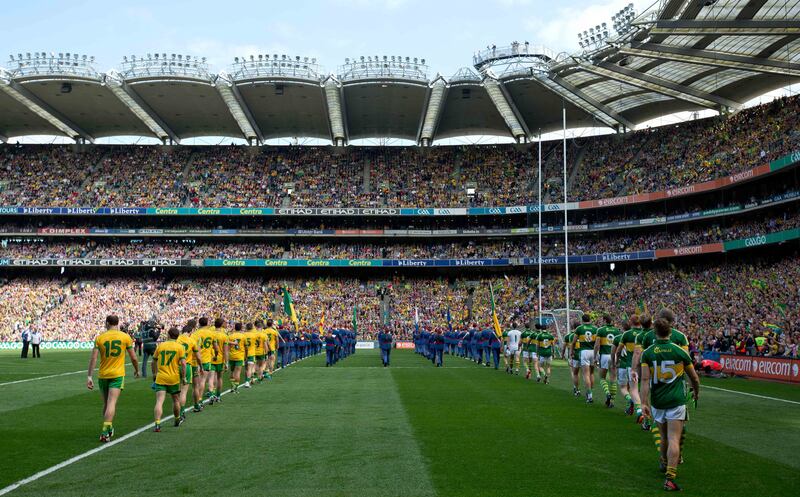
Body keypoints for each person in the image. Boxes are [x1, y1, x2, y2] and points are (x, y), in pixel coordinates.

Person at [640, 318, 700, 492]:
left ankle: (663, 461)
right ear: (670, 332)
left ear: (655, 332)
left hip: (658, 401)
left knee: (664, 436)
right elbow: (694, 377)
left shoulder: (648, 353)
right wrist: (696, 392)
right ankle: (670, 478)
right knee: (674, 438)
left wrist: (644, 402)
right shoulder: (679, 351)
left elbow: (645, 379)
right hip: (676, 400)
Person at [86, 315, 140, 443]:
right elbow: (133, 357)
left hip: (103, 374)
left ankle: (108, 427)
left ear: (107, 323)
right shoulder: (125, 337)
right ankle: (105, 432)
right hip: (117, 374)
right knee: (112, 403)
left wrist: (89, 376)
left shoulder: (100, 338)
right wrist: (137, 370)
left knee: (106, 403)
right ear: (117, 323)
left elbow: (93, 358)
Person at [151, 327, 187, 432]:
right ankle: (177, 419)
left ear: (168, 335)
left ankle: (157, 424)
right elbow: (183, 364)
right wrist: (184, 377)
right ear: (177, 336)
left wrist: (154, 373)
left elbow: (153, 361)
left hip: (161, 377)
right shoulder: (180, 347)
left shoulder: (161, 346)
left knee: (159, 401)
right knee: (176, 400)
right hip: (173, 378)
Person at [176, 320, 203, 416]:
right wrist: (201, 366)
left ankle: (178, 410)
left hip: (176, 365)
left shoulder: (177, 338)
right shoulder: (194, 338)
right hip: (191, 364)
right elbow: (198, 354)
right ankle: (195, 406)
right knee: (193, 387)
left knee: (178, 390)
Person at [594, 314, 620, 408]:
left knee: (602, 378)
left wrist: (594, 356)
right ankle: (612, 401)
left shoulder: (600, 330)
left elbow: (597, 345)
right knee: (613, 379)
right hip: (614, 355)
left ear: (604, 320)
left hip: (604, 356)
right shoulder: (617, 331)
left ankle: (607, 393)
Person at [193, 317, 220, 405]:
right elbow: (216, 348)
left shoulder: (195, 334)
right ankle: (200, 399)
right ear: (207, 323)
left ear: (199, 323)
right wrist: (215, 356)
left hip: (196, 360)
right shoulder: (211, 334)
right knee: (203, 380)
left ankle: (197, 402)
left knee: (196, 383)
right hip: (206, 360)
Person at [572, 314, 597, 403]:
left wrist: (571, 351)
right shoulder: (595, 328)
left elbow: (574, 342)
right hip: (593, 352)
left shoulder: (579, 328)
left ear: (582, 320)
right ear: (590, 319)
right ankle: (590, 392)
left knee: (586, 374)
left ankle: (589, 395)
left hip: (584, 352)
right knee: (592, 373)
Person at [613, 319, 636, 415]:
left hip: (623, 365)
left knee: (623, 388)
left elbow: (615, 352)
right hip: (634, 365)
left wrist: (615, 362)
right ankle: (630, 406)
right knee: (632, 388)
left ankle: (629, 400)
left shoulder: (618, 338)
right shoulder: (637, 336)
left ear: (622, 327)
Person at [210, 318, 229, 401]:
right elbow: (225, 351)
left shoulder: (210, 334)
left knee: (211, 377)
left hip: (211, 358)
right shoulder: (224, 335)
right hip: (220, 359)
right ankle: (218, 396)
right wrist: (226, 362)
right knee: (219, 378)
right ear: (221, 325)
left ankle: (211, 394)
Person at [226, 323, 248, 393]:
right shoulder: (243, 336)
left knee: (232, 372)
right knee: (237, 372)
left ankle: (232, 386)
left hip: (231, 356)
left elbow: (228, 347)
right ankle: (235, 387)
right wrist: (246, 356)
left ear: (235, 328)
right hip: (240, 356)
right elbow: (246, 347)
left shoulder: (230, 336)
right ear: (241, 328)